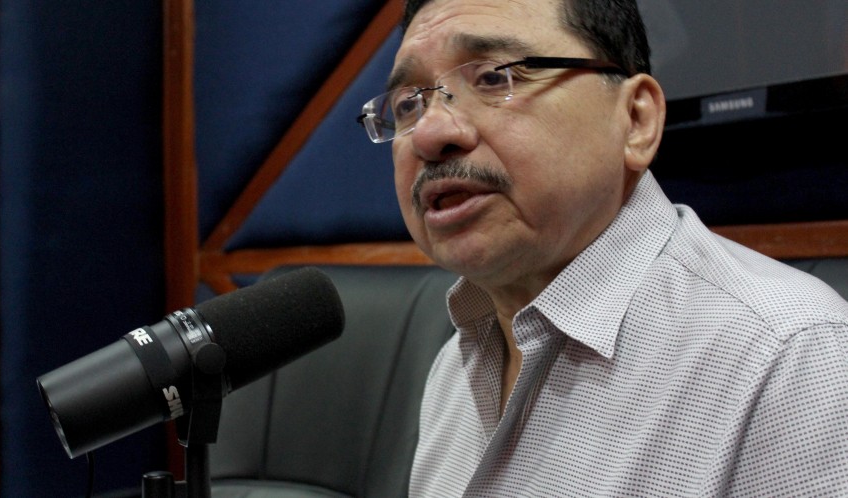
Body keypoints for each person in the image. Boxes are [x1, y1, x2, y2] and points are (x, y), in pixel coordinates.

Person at [356, 0, 848, 495]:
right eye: (408, 104)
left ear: (635, 120)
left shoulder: (791, 358)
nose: (430, 133)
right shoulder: (455, 365)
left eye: (491, 77)